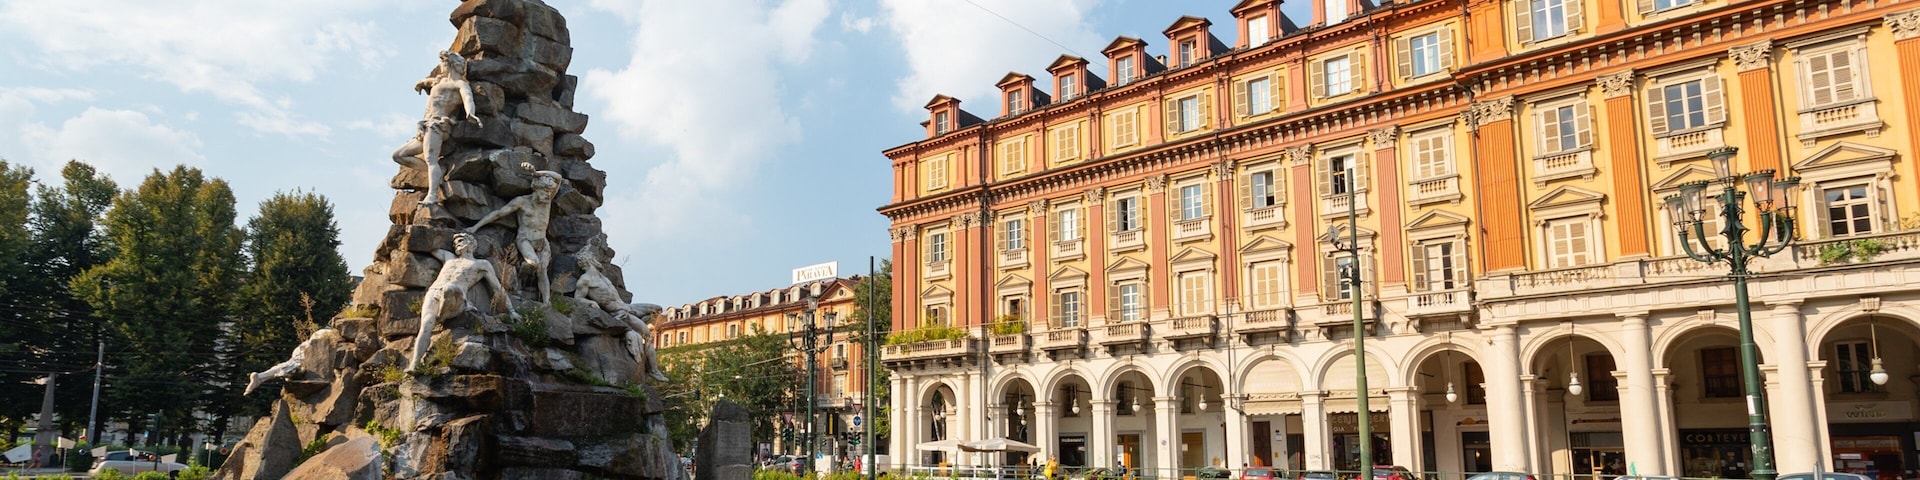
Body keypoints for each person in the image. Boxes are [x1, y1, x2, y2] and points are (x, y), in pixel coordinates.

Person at [410, 233, 519, 371]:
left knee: (450, 288)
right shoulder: (448, 257)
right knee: (425, 326)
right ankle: (414, 365)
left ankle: (441, 316)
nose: (456, 243)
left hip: (456, 297)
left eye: (460, 240)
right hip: (434, 292)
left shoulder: (481, 264)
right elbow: (430, 247)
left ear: (471, 244)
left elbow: (497, 288)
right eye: (454, 242)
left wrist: (512, 311)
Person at [391, 50, 483, 206]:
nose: (441, 66)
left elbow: (468, 98)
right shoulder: (439, 81)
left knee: (430, 159)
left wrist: (470, 113)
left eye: (442, 63)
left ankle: (432, 195)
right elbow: (428, 82)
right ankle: (438, 171)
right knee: (398, 155)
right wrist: (420, 83)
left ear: (450, 64)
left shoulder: (459, 84)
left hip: (438, 125)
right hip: (425, 126)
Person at [468, 163, 563, 304]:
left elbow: (558, 178)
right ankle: (519, 280)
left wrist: (536, 173)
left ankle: (546, 302)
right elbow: (498, 214)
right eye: (545, 192)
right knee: (533, 263)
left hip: (542, 241)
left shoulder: (547, 202)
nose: (549, 195)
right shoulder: (522, 202)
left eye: (550, 192)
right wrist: (475, 227)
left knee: (542, 270)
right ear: (536, 189)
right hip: (525, 239)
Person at [245, 327, 341, 395]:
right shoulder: (329, 339)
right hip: (312, 348)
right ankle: (261, 377)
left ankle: (260, 376)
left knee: (288, 365)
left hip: (304, 348)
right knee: (294, 367)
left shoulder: (313, 340)